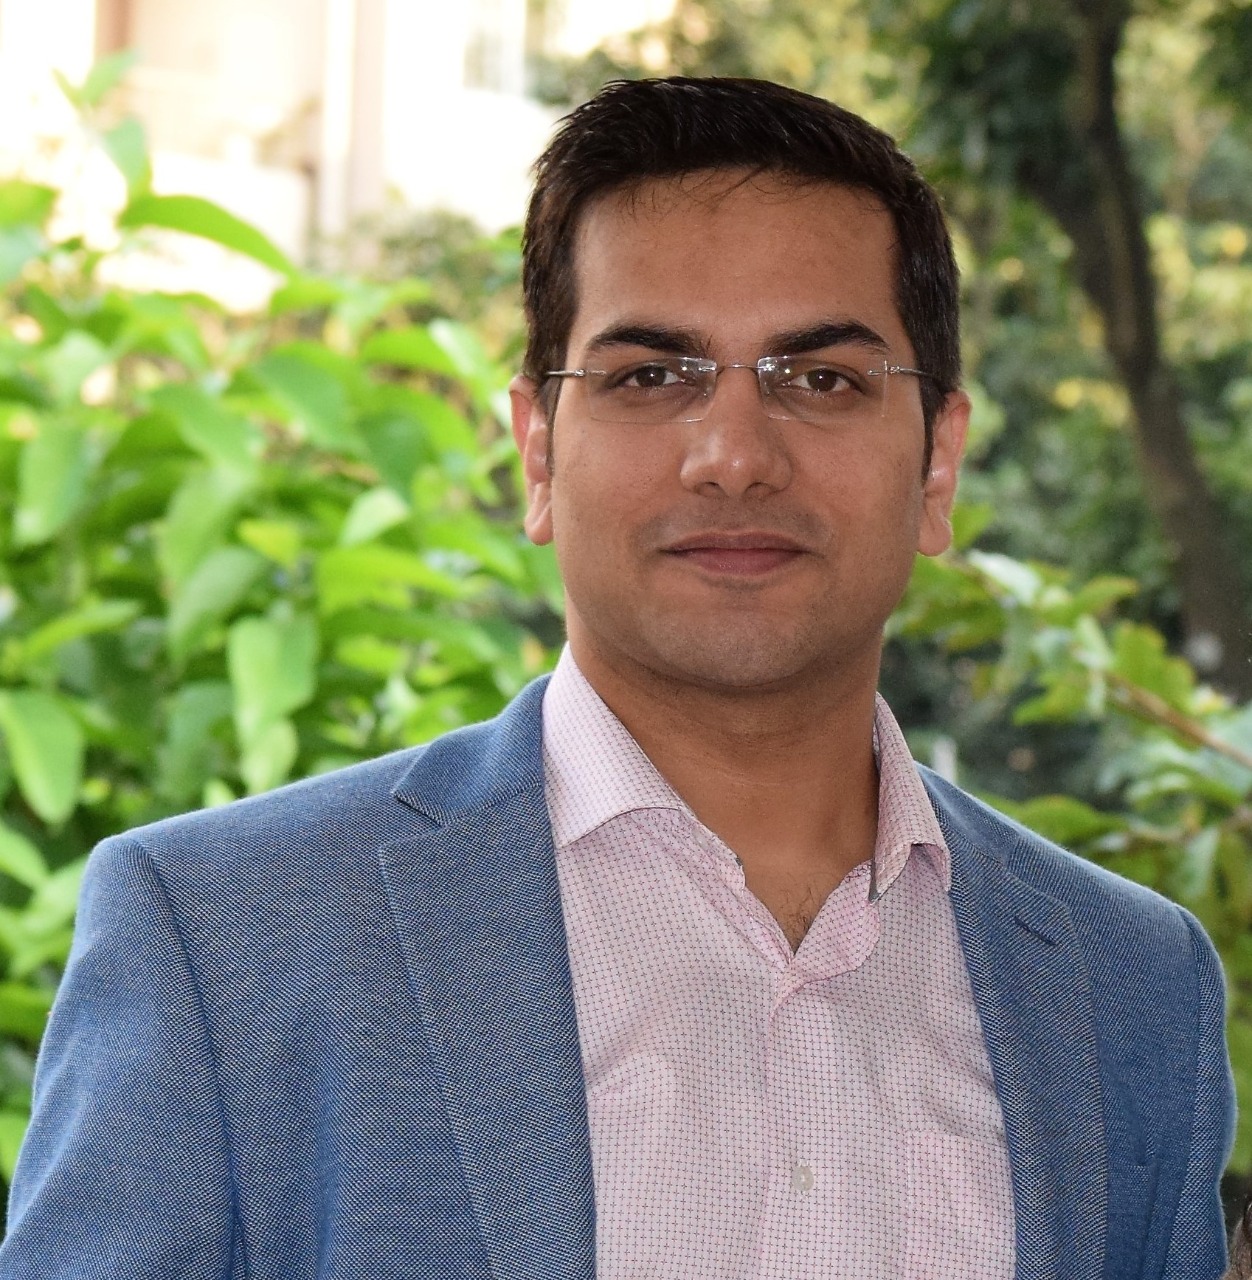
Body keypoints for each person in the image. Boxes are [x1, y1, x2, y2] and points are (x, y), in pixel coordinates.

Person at [0, 77, 1234, 1280]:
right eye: (651, 374)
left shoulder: (1132, 990)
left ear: (937, 464)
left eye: (821, 378)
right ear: (537, 450)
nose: (733, 456)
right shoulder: (220, 937)